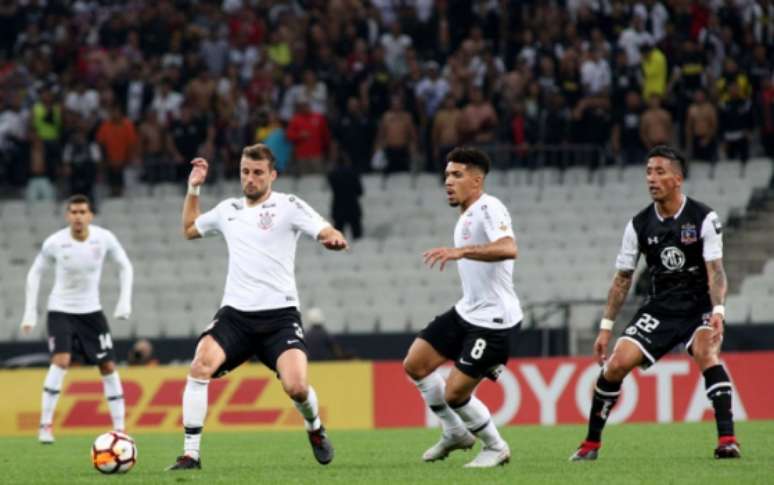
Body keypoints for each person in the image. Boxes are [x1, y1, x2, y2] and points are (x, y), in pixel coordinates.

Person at [167, 143, 349, 471]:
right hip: (235, 316)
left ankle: (315, 428)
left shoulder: (289, 206)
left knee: (296, 386)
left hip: (279, 317)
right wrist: (194, 187)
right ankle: (190, 455)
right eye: (245, 172)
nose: (249, 179)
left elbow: (323, 228)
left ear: (272, 176)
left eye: (257, 173)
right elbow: (190, 229)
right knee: (199, 366)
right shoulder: (228, 210)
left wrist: (331, 238)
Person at [570, 146, 740, 461]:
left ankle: (727, 440)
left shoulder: (703, 217)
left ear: (677, 179)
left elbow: (715, 271)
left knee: (706, 352)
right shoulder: (638, 225)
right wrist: (606, 328)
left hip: (697, 305)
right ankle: (591, 444)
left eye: (660, 172)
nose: (652, 178)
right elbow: (622, 279)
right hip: (660, 308)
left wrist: (718, 311)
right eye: (649, 171)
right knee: (616, 364)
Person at [402, 147, 521, 468]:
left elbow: (509, 248)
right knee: (415, 364)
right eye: (446, 175)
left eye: (456, 175)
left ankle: (496, 447)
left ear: (477, 180)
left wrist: (461, 252)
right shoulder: (467, 214)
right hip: (468, 310)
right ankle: (455, 432)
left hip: (493, 320)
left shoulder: (488, 206)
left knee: (454, 394)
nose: (448, 182)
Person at [20, 194, 134, 444]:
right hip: (61, 310)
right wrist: (30, 311)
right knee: (61, 360)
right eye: (73, 212)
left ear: (90, 215)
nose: (78, 216)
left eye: (82, 212)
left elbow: (125, 265)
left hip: (91, 312)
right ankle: (45, 425)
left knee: (108, 366)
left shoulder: (104, 238)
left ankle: (120, 429)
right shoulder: (55, 242)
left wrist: (124, 301)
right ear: (67, 215)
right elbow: (35, 272)